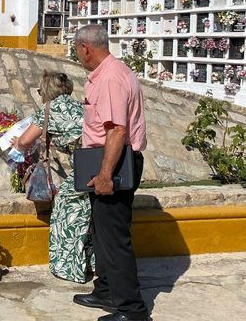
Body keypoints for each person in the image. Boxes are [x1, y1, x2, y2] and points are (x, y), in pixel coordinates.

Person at [71, 24, 149, 321]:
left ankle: (132, 311)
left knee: (114, 240)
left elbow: (116, 130)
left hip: (114, 164)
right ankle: (105, 290)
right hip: (108, 160)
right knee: (103, 234)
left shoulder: (110, 78)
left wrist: (105, 175)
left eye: (76, 49)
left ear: (86, 48)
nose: (77, 54)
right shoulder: (112, 72)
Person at [13, 70, 93, 284]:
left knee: (66, 211)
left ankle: (68, 268)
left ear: (47, 91)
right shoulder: (79, 106)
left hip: (85, 167)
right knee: (88, 215)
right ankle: (90, 263)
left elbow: (25, 141)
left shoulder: (48, 110)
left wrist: (16, 143)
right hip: (97, 162)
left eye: (40, 91)